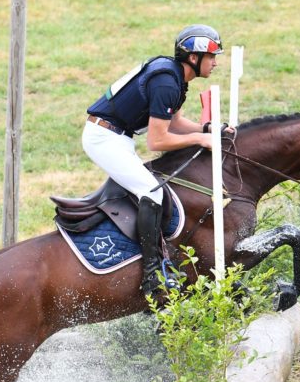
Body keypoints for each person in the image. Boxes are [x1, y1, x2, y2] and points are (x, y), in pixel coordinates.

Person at [83, 24, 234, 297]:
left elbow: (174, 122)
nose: (215, 63)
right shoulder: (166, 82)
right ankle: (152, 275)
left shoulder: (175, 77)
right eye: (211, 57)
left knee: (150, 188)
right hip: (104, 138)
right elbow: (158, 141)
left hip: (117, 136)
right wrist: (200, 140)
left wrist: (207, 129)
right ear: (193, 58)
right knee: (151, 192)